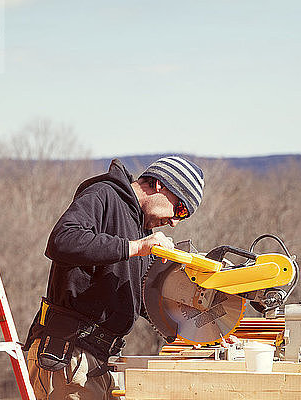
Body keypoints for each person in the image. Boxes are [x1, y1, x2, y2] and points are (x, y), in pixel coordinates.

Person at [23, 156, 205, 400]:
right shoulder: (104, 194)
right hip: (71, 355)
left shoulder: (141, 229)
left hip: (101, 360)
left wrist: (197, 333)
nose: (174, 222)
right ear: (161, 184)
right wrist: (135, 247)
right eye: (180, 208)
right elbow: (61, 240)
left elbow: (144, 299)